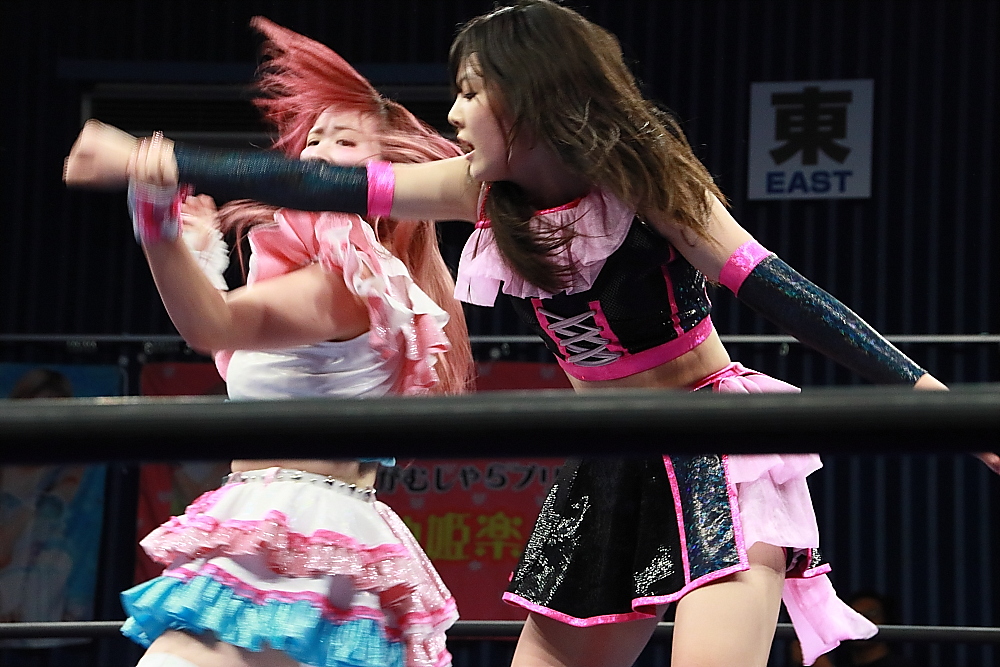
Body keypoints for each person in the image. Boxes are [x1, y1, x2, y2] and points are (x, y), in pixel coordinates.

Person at [63, 3, 997, 666]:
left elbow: (787, 294)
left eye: (471, 92)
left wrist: (942, 407)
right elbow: (333, 185)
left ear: (530, 95)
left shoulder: (650, 181)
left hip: (714, 446)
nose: (455, 115)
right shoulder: (483, 192)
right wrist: (155, 158)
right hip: (608, 462)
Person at [100, 17, 473, 667]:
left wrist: (157, 224)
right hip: (298, 523)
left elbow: (214, 325)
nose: (319, 152)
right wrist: (197, 257)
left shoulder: (352, 282)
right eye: (314, 139)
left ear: (387, 175)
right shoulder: (354, 282)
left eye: (345, 141)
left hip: (294, 526)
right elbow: (242, 344)